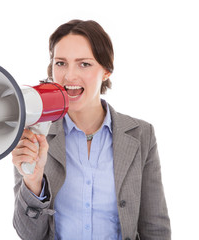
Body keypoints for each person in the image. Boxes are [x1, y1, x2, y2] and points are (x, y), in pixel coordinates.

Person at [12, 19, 171, 240]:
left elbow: (155, 228)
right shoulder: (35, 134)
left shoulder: (141, 134)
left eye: (84, 64)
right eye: (60, 63)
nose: (69, 76)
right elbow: (28, 234)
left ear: (106, 70)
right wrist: (33, 181)